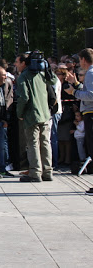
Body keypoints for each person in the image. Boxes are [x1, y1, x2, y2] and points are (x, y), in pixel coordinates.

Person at [15, 53, 53, 182]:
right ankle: (47, 172)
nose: (15, 65)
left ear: (24, 63)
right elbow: (52, 81)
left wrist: (19, 113)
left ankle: (35, 172)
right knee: (45, 143)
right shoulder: (41, 75)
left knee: (33, 144)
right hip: (44, 113)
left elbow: (24, 97)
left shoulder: (23, 77)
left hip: (32, 115)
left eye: (17, 62)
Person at [64, 48, 93, 195]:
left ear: (83, 59)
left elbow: (91, 95)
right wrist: (75, 84)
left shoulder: (91, 73)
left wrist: (73, 92)